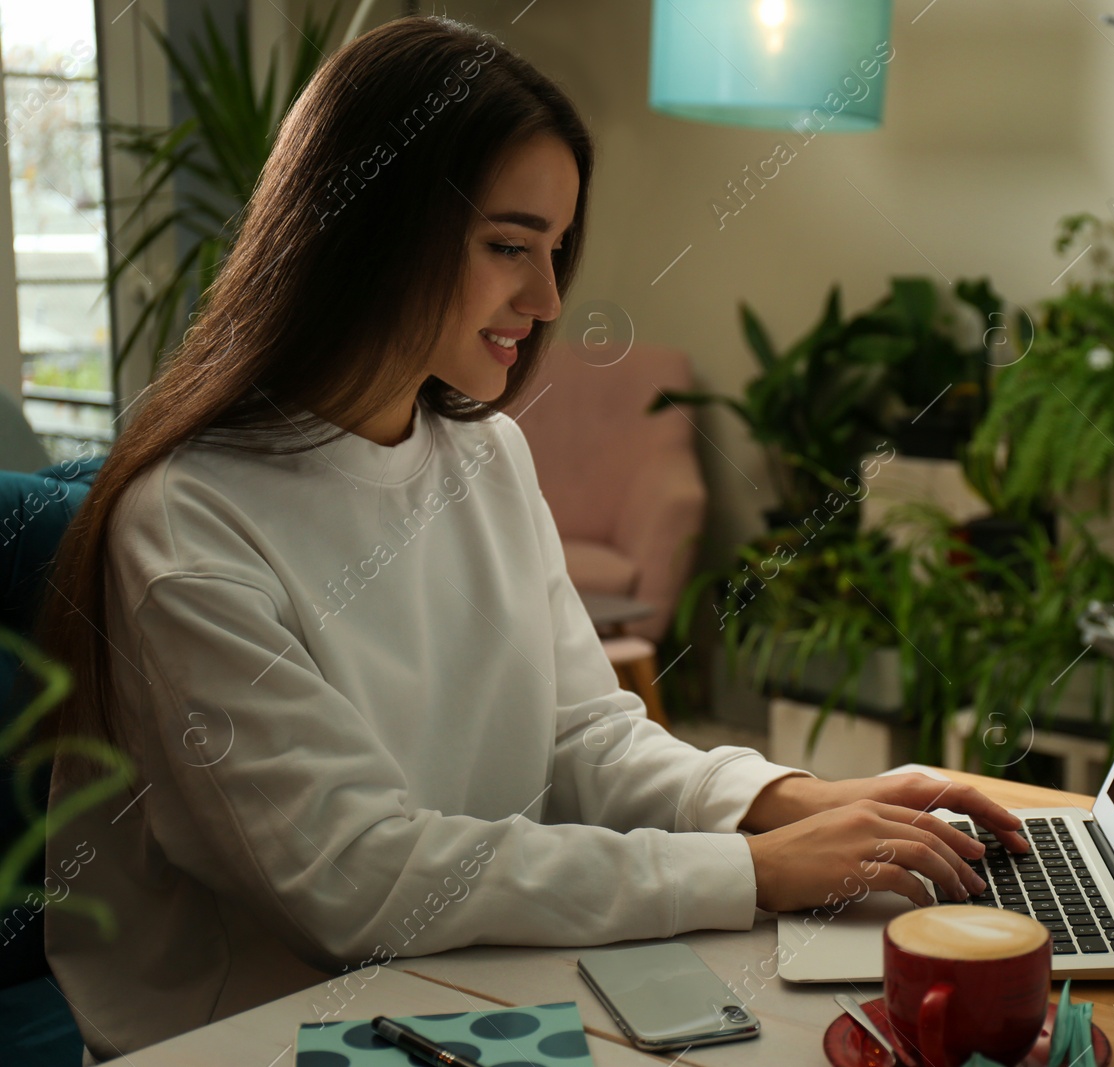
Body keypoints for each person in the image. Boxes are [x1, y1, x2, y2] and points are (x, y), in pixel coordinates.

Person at [36, 16, 1025, 1060]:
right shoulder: (190, 521)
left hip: (461, 988)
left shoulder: (483, 455)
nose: (547, 297)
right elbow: (357, 878)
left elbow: (582, 734)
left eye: (553, 250)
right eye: (508, 246)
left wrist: (798, 802)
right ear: (371, 227)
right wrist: (758, 870)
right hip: (259, 1033)